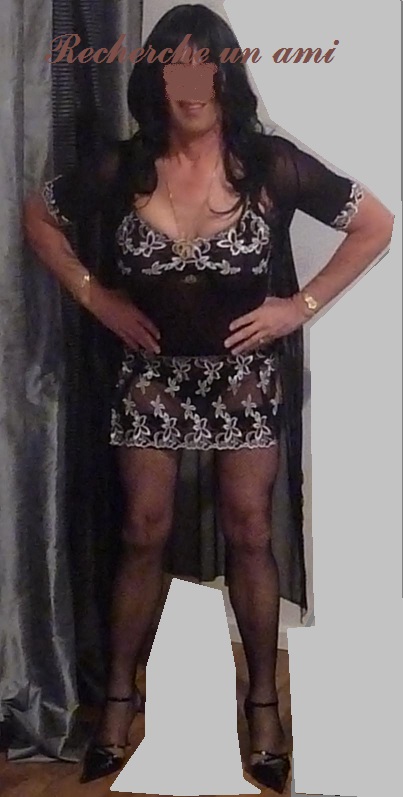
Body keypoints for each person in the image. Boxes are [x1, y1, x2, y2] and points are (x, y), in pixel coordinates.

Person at [23, 3, 394, 792]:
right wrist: (97, 297)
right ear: (155, 80)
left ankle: (263, 708)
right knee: (141, 530)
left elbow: (374, 223)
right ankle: (119, 704)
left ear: (226, 75)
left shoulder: (268, 164)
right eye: (174, 67)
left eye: (205, 65)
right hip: (150, 380)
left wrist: (300, 305)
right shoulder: (124, 167)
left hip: (243, 381)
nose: (191, 84)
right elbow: (39, 215)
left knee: (250, 532)